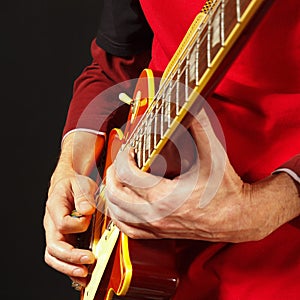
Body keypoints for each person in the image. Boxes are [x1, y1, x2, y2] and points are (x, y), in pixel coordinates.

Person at [44, 0, 300, 299]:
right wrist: (70, 166)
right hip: (152, 254)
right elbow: (114, 64)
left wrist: (266, 206)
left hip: (280, 255)